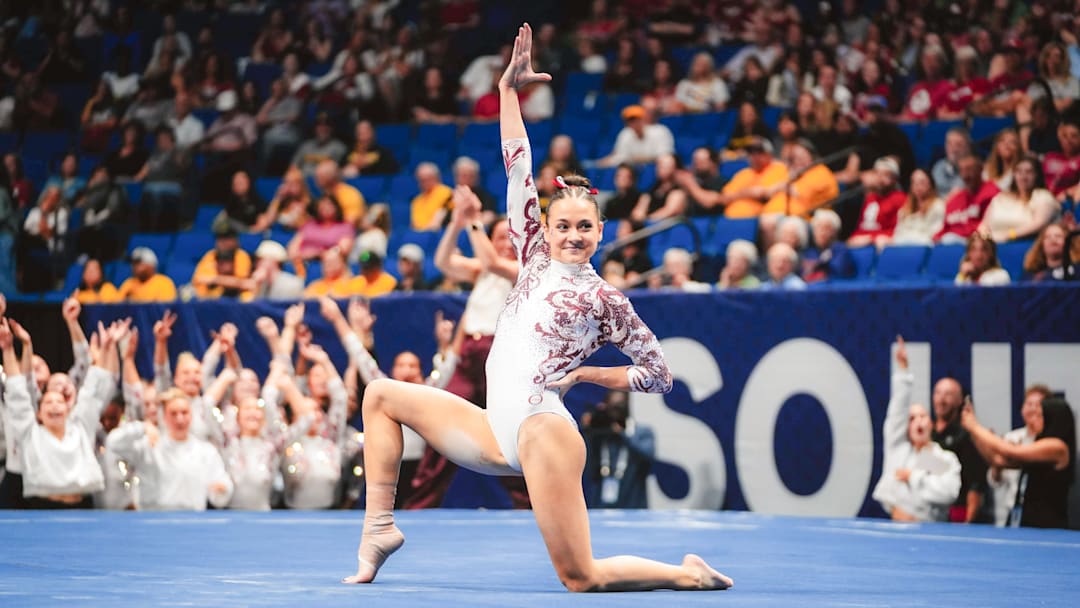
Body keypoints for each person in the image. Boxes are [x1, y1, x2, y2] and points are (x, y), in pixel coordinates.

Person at [343, 25, 732, 592]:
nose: (573, 235)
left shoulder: (605, 299)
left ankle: (687, 574)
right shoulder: (530, 259)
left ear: (601, 232)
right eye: (563, 225)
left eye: (584, 227)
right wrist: (507, 93)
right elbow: (517, 162)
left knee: (581, 578)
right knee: (380, 396)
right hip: (493, 429)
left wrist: (585, 373)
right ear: (543, 229)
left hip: (543, 429)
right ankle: (378, 528)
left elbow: (659, 375)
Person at [1, 318, 123, 508]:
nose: (55, 406)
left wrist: (107, 348)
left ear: (68, 409)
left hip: (81, 506)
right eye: (48, 402)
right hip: (41, 506)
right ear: (38, 414)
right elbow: (17, 392)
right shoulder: (31, 433)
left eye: (59, 402)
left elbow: (95, 387)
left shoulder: (81, 428)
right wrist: (7, 349)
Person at [873, 337, 961, 521]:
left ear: (931, 424)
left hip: (932, 536)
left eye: (923, 416)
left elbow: (949, 493)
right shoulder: (898, 450)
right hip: (898, 531)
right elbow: (897, 412)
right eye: (912, 418)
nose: (919, 422)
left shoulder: (944, 459)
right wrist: (903, 372)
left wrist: (913, 477)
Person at [106, 388, 234, 511]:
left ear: (191, 415)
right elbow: (113, 443)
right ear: (164, 416)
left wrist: (222, 489)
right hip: (154, 519)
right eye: (173, 413)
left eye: (184, 412)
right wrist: (142, 427)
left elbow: (222, 485)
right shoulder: (150, 445)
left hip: (193, 521)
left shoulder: (206, 451)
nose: (180, 419)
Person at [962, 395, 1075, 529]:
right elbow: (998, 461)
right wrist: (974, 435)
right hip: (1028, 521)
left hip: (1049, 525)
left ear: (1053, 419)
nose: (1034, 419)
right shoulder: (1039, 444)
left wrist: (975, 427)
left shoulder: (1057, 447)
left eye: (1040, 416)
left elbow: (1009, 451)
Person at [984, 385, 1051, 527]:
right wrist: (997, 462)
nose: (1033, 409)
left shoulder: (1050, 442)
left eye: (1038, 404)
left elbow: (1021, 459)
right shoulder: (1012, 437)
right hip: (1010, 514)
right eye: (1029, 404)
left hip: (1040, 516)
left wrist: (975, 429)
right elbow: (995, 480)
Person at [581, 390, 655, 509]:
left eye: (619, 406)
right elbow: (584, 463)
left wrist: (623, 434)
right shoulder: (600, 435)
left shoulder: (641, 433)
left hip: (633, 505)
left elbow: (648, 456)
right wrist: (588, 429)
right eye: (612, 407)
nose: (616, 412)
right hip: (601, 507)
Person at [978, 157, 1058, 243]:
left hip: (1026, 246)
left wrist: (1009, 235)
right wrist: (985, 237)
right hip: (992, 245)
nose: (1023, 176)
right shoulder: (1000, 198)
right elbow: (983, 225)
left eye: (1029, 172)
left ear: (1037, 175)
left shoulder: (1043, 196)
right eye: (1019, 171)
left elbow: (1039, 224)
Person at [935, 155, 1000, 244]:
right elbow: (945, 228)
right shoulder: (955, 200)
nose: (966, 175)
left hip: (979, 243)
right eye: (962, 170)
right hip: (951, 244)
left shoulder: (991, 193)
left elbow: (991, 226)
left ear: (980, 170)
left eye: (969, 170)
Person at [847, 157, 906, 248]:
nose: (880, 179)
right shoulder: (870, 199)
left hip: (884, 241)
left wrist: (872, 238)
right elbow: (861, 226)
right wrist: (853, 238)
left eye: (885, 175)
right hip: (865, 239)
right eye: (877, 174)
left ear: (894, 179)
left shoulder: (900, 198)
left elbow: (899, 229)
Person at [593, 104, 675, 168]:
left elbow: (665, 155)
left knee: (666, 161)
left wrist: (636, 159)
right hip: (631, 170)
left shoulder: (660, 131)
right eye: (630, 120)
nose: (634, 123)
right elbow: (619, 157)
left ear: (643, 119)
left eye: (637, 119)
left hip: (655, 169)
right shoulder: (625, 133)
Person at [890, 169, 945, 245]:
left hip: (925, 247)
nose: (918, 186)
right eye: (914, 182)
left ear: (930, 184)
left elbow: (935, 234)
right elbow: (897, 233)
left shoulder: (938, 206)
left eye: (922, 182)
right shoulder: (904, 210)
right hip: (903, 247)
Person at [802, 209, 854, 283]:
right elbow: (805, 274)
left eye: (827, 228)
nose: (822, 232)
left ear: (835, 231)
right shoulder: (810, 252)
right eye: (818, 227)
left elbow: (839, 271)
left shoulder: (840, 249)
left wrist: (819, 264)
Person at [411, 162, 454, 231]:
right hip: (420, 235)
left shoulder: (447, 194)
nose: (423, 183)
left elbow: (440, 221)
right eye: (421, 180)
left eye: (427, 179)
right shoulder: (417, 200)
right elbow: (413, 224)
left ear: (437, 178)